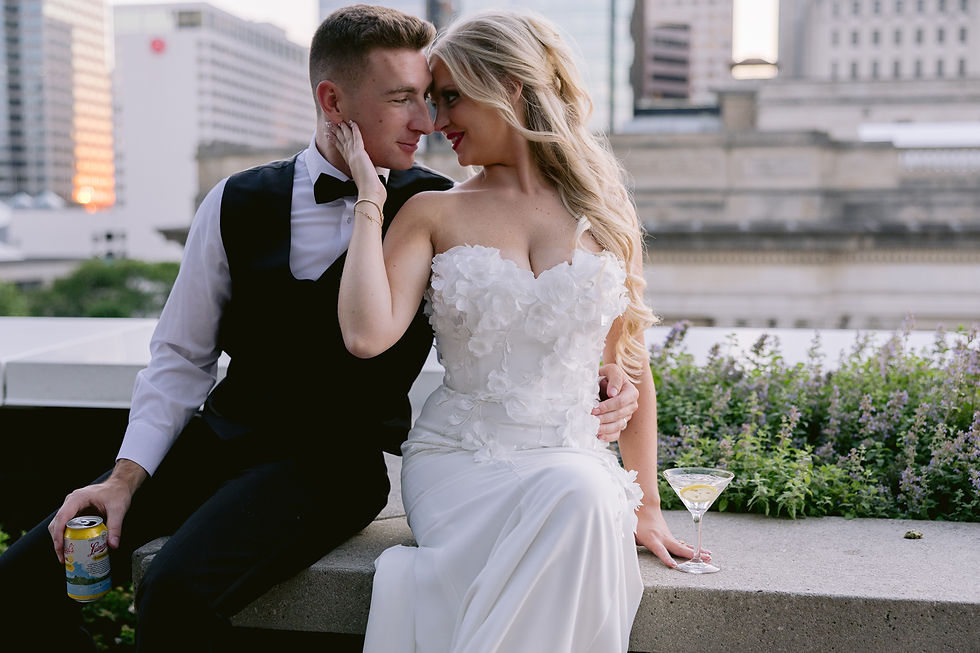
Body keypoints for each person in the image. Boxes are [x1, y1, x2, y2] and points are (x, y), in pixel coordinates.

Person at [0, 6, 639, 651]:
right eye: (404, 100)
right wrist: (124, 477)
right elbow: (179, 357)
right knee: (17, 582)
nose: (428, 122)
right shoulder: (234, 200)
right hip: (221, 439)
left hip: (331, 461)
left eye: (433, 99)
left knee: (173, 592)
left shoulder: (437, 206)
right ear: (332, 101)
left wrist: (609, 373)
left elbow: (530, 320)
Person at [330, 8, 695, 653]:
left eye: (450, 98)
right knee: (576, 496)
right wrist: (368, 199)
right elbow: (366, 336)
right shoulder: (430, 211)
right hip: (459, 464)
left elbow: (630, 371)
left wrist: (648, 508)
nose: (437, 123)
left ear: (511, 88)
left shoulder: (606, 218)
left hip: (573, 460)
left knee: (579, 491)